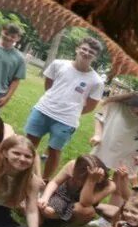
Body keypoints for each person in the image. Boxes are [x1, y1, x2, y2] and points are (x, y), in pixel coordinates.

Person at [24, 35, 104, 180]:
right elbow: (48, 85)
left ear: (95, 57)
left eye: (91, 53)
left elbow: (91, 106)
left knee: (55, 151)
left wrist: (72, 111)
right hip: (43, 110)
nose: (86, 53)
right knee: (29, 145)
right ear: (77, 49)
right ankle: (23, 173)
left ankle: (45, 180)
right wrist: (54, 100)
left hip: (66, 120)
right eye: (84, 49)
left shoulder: (96, 81)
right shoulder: (58, 64)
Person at [91, 90, 138, 177]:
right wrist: (98, 135)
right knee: (95, 176)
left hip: (130, 157)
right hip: (106, 149)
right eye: (132, 110)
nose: (135, 114)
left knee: (120, 184)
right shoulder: (116, 105)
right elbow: (100, 117)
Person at [38, 154, 114, 227]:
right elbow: (55, 182)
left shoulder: (109, 186)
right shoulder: (73, 165)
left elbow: (85, 203)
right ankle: (58, 217)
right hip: (63, 196)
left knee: (86, 211)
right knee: (48, 211)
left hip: (80, 205)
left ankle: (69, 226)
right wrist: (45, 198)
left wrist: (91, 181)